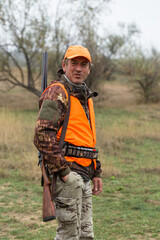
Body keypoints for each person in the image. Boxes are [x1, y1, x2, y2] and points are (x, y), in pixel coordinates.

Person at [34, 45, 103, 240]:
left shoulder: (85, 96)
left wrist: (96, 171)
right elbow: (42, 134)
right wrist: (64, 173)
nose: (78, 69)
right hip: (69, 175)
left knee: (85, 235)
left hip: (85, 175)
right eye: (74, 63)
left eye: (83, 64)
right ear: (64, 65)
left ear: (89, 69)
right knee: (68, 236)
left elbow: (87, 138)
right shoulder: (57, 92)